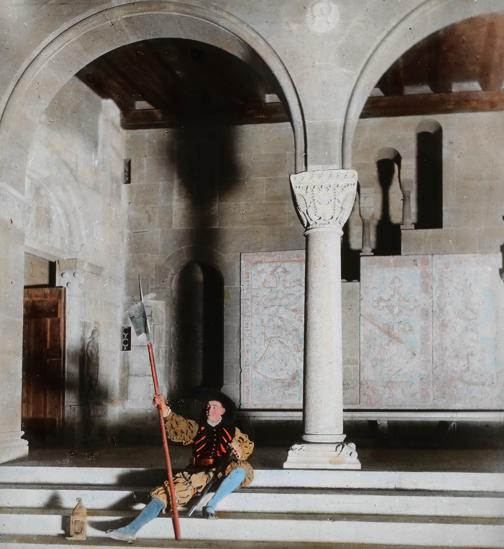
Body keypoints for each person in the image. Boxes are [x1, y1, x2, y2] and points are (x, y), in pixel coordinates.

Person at [107, 393, 254, 542]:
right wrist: (163, 407)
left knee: (242, 469)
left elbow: (246, 447)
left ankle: (210, 506)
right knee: (164, 494)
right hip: (197, 473)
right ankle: (130, 530)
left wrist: (239, 450)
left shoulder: (233, 431)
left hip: (223, 471)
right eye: (208, 406)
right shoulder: (197, 427)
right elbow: (178, 424)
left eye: (215, 407)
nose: (210, 409)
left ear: (223, 410)